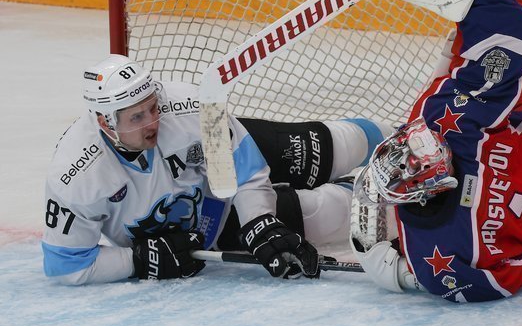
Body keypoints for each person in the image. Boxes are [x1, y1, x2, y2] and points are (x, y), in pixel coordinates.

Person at [43, 55, 392, 285]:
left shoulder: (186, 106)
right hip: (207, 227)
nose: (153, 122)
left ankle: (406, 138)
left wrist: (259, 221)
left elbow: (247, 168)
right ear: (105, 122)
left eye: (153, 108)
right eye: (137, 117)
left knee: (331, 147)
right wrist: (136, 261)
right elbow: (65, 264)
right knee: (329, 215)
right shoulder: (76, 174)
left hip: (229, 167)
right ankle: (394, 199)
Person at [349, 0, 522, 302]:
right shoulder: (444, 122)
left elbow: (512, 276)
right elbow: (506, 29)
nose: (436, 141)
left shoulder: (437, 259)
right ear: (434, 184)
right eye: (434, 154)